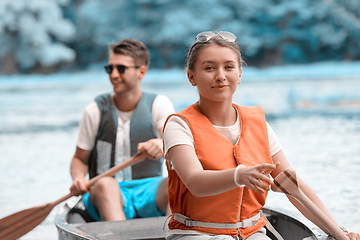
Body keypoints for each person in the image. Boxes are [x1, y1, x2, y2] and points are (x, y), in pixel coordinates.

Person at [162, 31, 360, 240]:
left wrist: (339, 232)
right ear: (191, 77)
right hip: (197, 232)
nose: (220, 76)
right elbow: (195, 183)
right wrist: (239, 176)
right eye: (209, 68)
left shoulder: (258, 123)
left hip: (252, 232)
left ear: (239, 74)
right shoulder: (179, 124)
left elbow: (293, 186)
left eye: (229, 67)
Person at [69, 39, 175, 221]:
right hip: (104, 193)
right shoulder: (94, 110)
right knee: (105, 184)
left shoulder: (159, 104)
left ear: (141, 72)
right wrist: (78, 178)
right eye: (110, 69)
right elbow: (79, 159)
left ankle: (175, 233)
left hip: (148, 191)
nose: (114, 75)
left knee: (181, 183)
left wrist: (162, 144)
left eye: (121, 68)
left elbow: (179, 148)